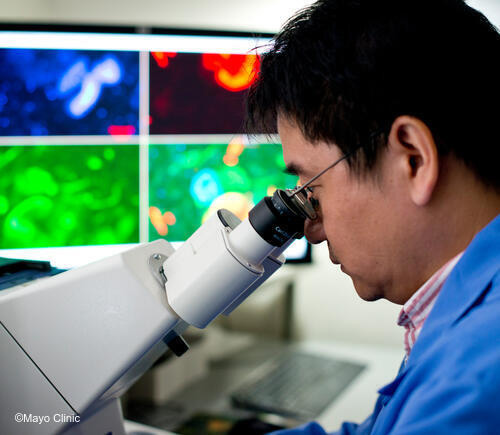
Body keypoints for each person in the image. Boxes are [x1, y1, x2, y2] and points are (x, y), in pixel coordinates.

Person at [245, 0, 500, 433]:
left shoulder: (473, 382)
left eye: (310, 188)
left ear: (413, 160)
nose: (311, 228)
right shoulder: (465, 317)